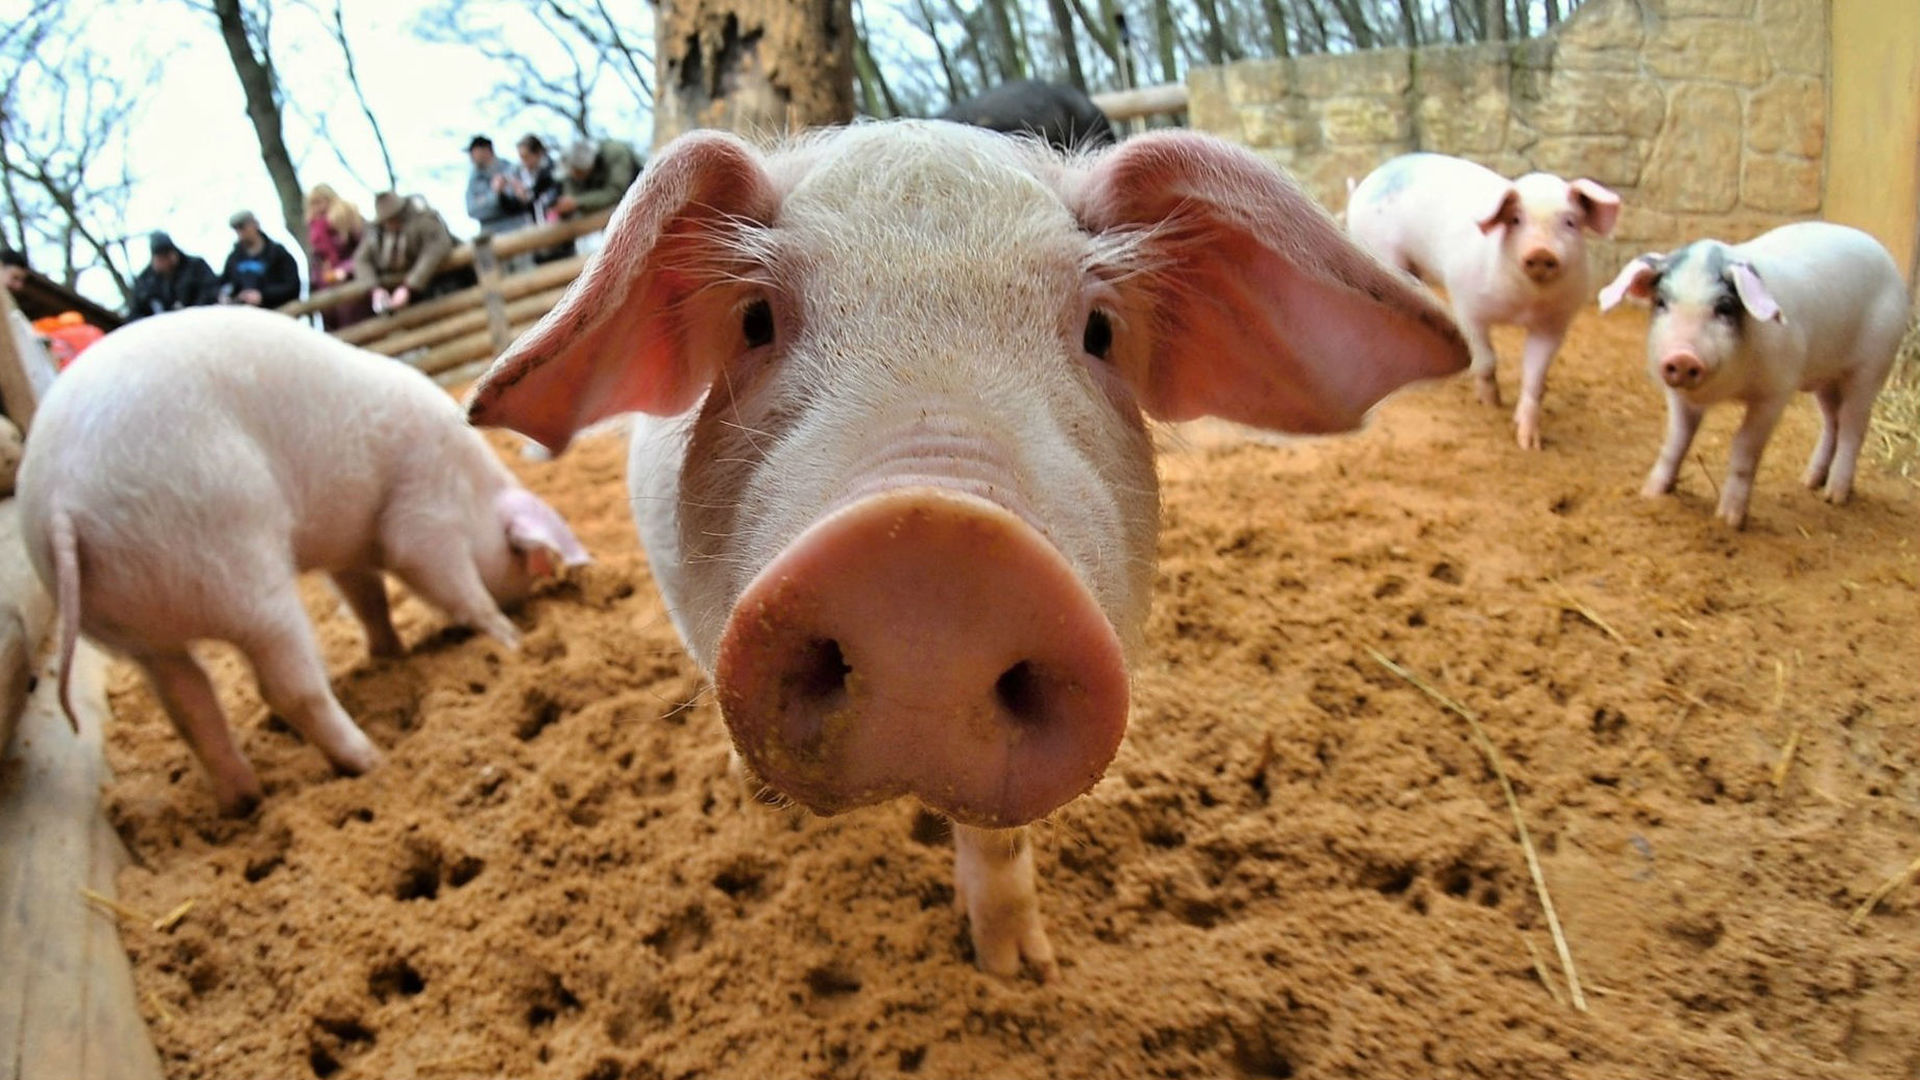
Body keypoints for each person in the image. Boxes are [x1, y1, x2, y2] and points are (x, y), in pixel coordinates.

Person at [354, 191, 466, 313]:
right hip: (408, 292)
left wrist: (410, 285)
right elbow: (361, 259)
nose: (391, 223)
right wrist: (375, 289)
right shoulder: (376, 234)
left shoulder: (423, 219)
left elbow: (437, 247)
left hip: (444, 281)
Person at [306, 184, 371, 330]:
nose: (317, 207)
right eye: (313, 203)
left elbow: (368, 250)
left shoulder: (350, 219)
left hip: (357, 287)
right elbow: (316, 266)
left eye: (319, 201)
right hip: (330, 294)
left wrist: (345, 270)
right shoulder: (315, 232)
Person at [128, 230, 221, 321]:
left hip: (201, 320)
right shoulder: (145, 282)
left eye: (167, 255)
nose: (165, 262)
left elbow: (211, 291)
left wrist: (189, 312)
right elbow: (136, 313)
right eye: (160, 258)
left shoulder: (196, 267)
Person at [219, 210, 303, 309]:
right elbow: (224, 284)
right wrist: (225, 296)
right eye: (236, 229)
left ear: (255, 224)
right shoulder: (234, 258)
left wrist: (263, 296)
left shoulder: (278, 253)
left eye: (242, 227)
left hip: (275, 312)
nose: (240, 232)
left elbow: (292, 286)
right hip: (243, 315)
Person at [516, 134, 575, 264]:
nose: (524, 162)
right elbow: (526, 206)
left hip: (561, 233)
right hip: (538, 237)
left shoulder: (555, 171)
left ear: (538, 153)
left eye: (526, 157)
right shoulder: (523, 176)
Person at [556, 137, 643, 217]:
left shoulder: (614, 153)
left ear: (587, 166)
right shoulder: (573, 175)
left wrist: (577, 202)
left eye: (577, 173)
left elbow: (615, 193)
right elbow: (571, 196)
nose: (575, 178)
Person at [465, 135, 531, 237]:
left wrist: (486, 200)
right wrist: (496, 195)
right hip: (493, 238)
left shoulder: (511, 169)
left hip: (520, 232)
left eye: (473, 152)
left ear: (486, 150)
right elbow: (472, 210)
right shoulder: (474, 181)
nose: (471, 156)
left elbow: (520, 201)